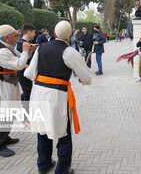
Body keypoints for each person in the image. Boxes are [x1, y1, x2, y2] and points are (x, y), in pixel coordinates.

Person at [24, 20, 92, 174]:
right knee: (63, 133)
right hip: (57, 96)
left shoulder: (41, 48)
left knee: (42, 130)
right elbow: (86, 77)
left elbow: (29, 74)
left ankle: (44, 164)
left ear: (54, 34)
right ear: (69, 35)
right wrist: (83, 79)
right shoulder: (69, 52)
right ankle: (62, 170)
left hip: (38, 94)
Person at [0, 24, 36, 157]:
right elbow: (19, 64)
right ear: (7, 38)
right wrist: (26, 52)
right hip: (2, 86)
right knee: (4, 115)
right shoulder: (1, 51)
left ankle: (5, 137)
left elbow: (20, 57)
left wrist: (29, 51)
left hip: (9, 83)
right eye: (15, 36)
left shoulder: (7, 47)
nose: (17, 38)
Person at [16, 24, 37, 119]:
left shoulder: (27, 44)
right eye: (33, 32)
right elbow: (20, 60)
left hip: (27, 72)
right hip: (23, 73)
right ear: (28, 32)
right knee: (28, 93)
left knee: (27, 92)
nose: (34, 34)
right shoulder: (22, 44)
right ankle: (25, 117)